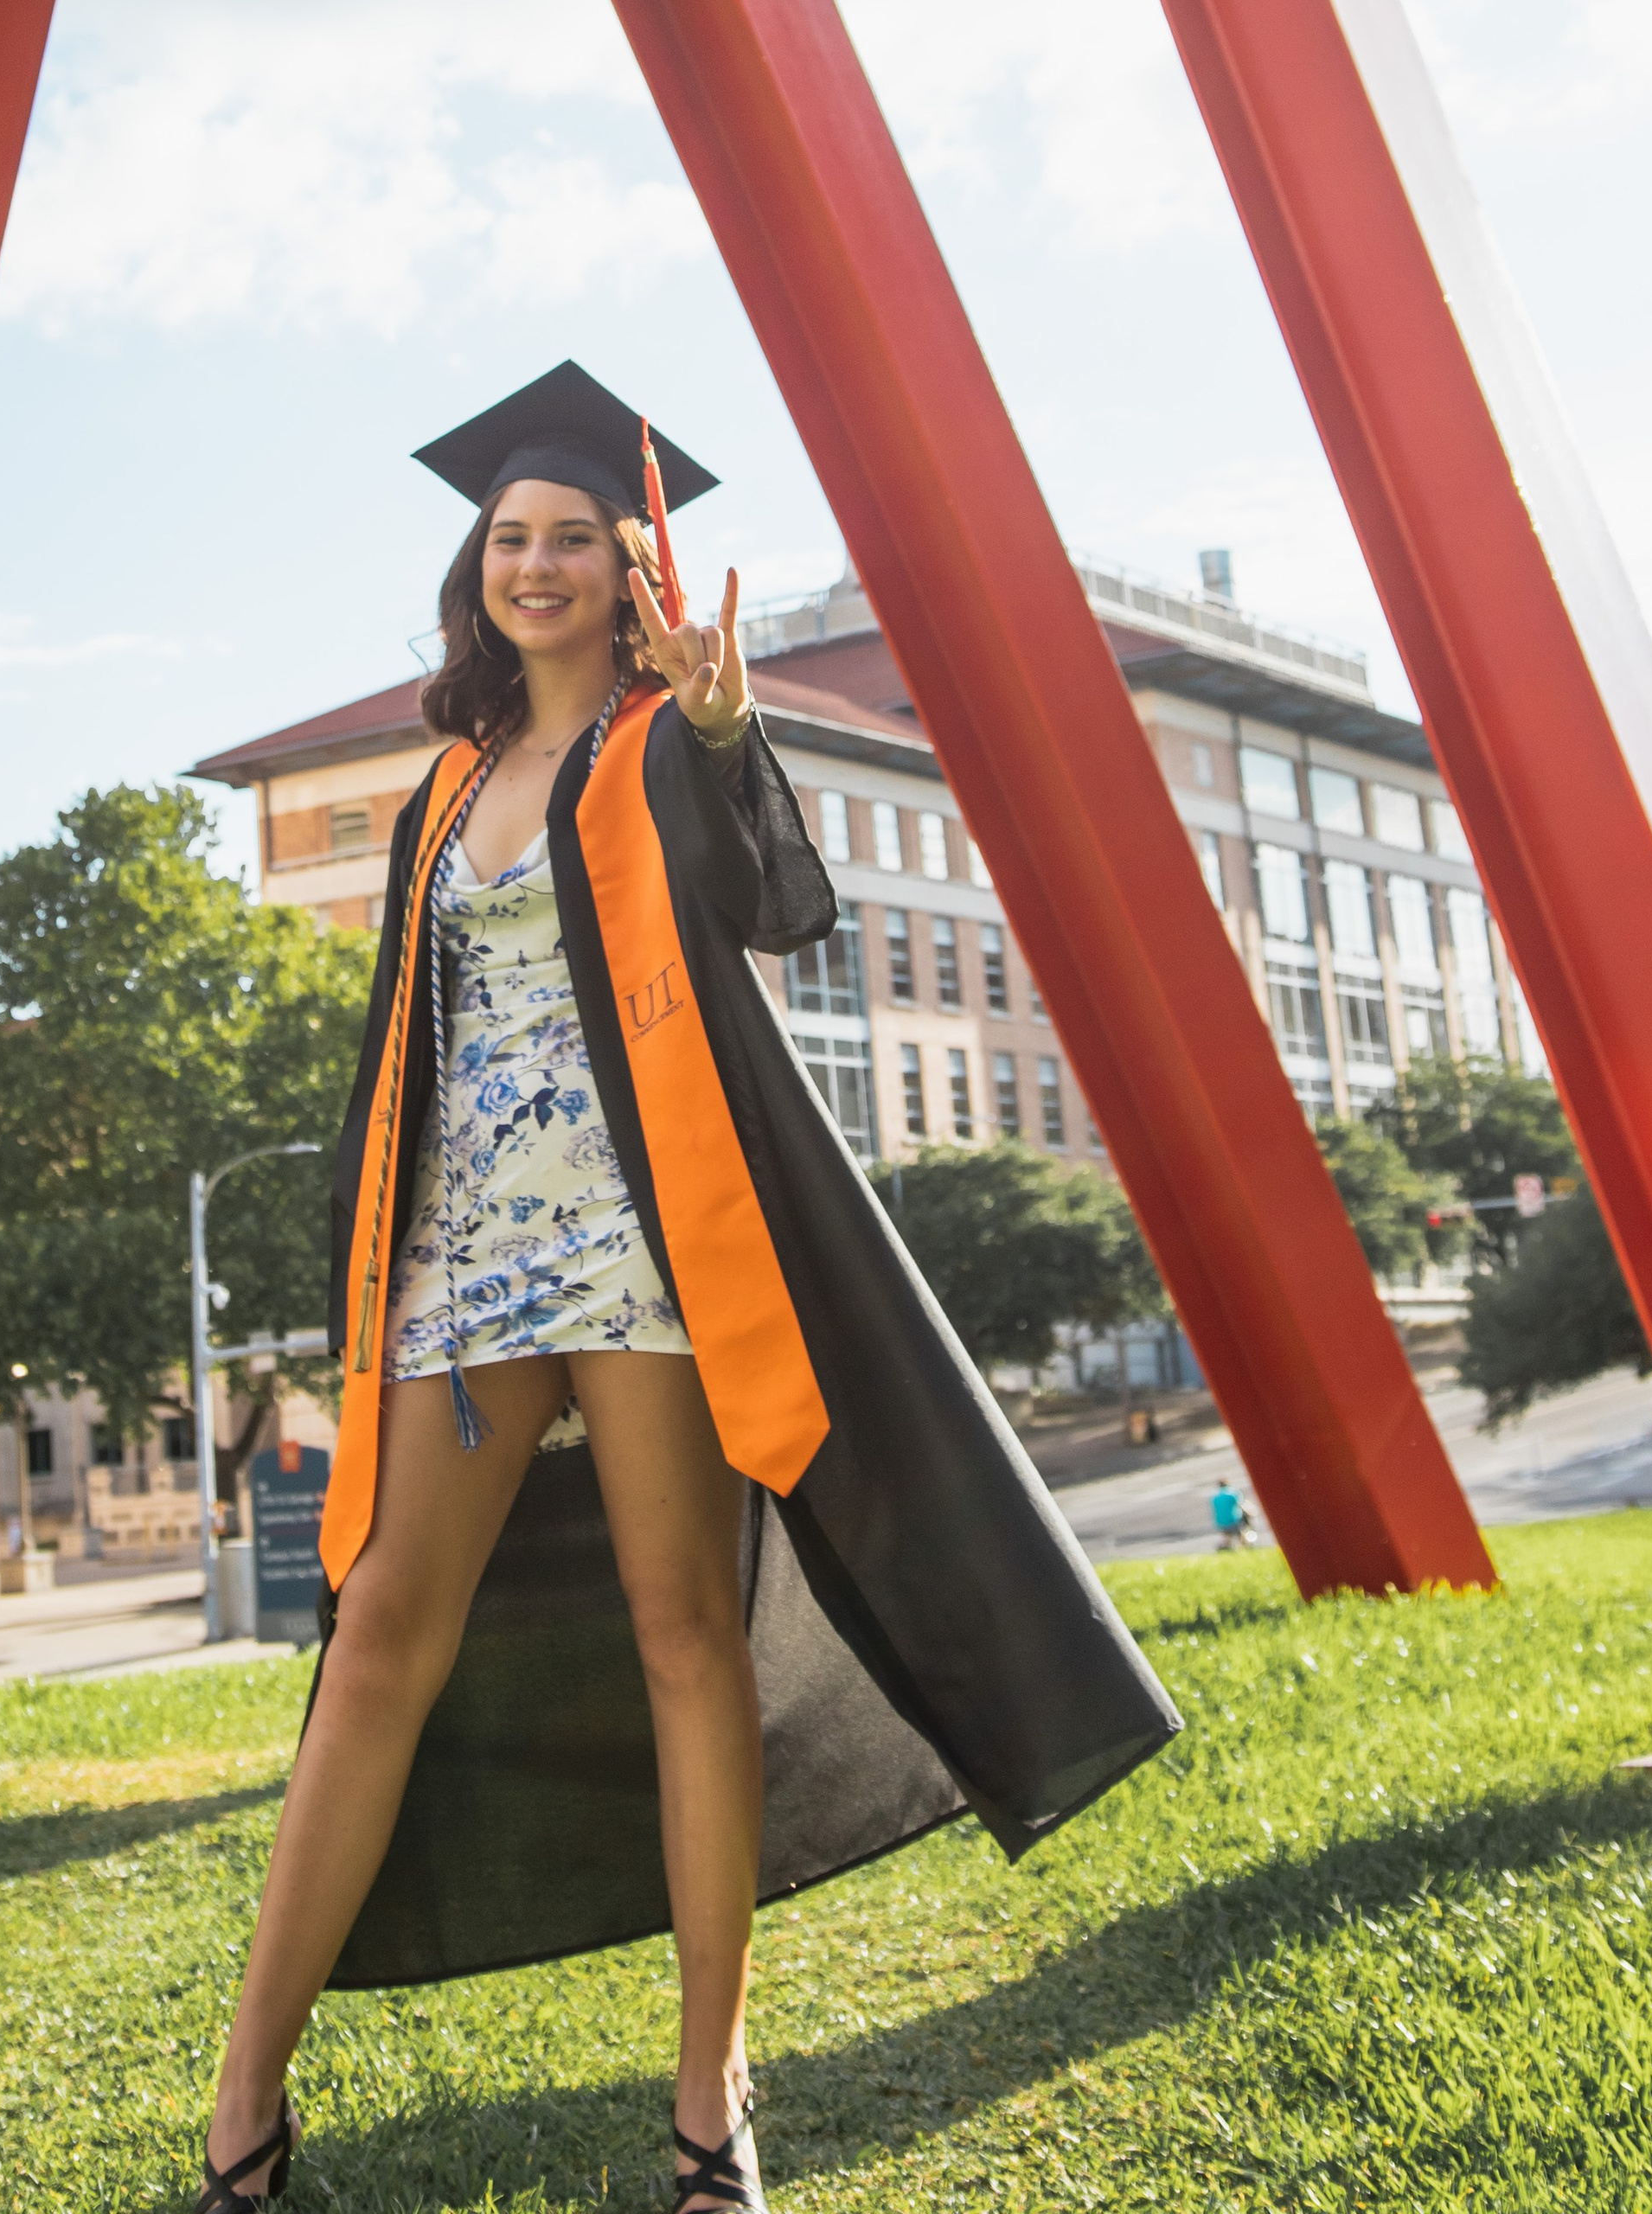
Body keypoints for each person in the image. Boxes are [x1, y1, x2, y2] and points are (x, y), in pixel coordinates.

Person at [196, 363, 1180, 2212]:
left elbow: (762, 904)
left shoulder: (659, 742)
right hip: (461, 1257)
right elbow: (407, 1042)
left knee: (682, 1634)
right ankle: (244, 2098)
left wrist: (726, 733)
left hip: (645, 1246)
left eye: (575, 538)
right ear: (474, 570)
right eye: (512, 539)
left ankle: (710, 2087)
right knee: (376, 1636)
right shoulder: (438, 788)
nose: (538, 563)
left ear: (630, 572)